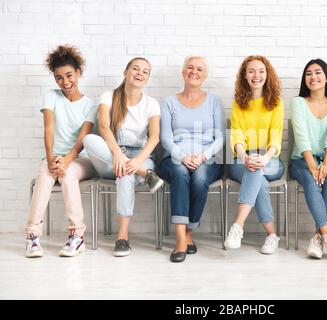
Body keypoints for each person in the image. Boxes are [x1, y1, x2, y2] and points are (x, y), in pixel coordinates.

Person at [83, 57, 163, 257]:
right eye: (136, 68)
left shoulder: (151, 104)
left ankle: (122, 238)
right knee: (90, 140)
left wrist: (135, 162)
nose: (140, 73)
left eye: (145, 71)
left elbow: (154, 138)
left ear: (147, 78)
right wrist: (117, 153)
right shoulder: (109, 96)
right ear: (125, 72)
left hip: (140, 156)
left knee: (125, 173)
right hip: (110, 155)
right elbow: (102, 127)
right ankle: (146, 174)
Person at [25, 45, 97, 258]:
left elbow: (81, 142)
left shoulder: (90, 105)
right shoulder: (51, 96)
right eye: (59, 78)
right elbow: (48, 128)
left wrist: (66, 160)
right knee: (45, 175)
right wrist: (50, 159)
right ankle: (32, 237)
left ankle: (77, 236)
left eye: (69, 75)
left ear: (78, 73)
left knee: (67, 174)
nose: (65, 82)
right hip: (53, 158)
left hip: (81, 160)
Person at [159, 56, 225, 263]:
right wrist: (182, 156)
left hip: (208, 158)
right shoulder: (169, 102)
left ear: (204, 76)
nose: (194, 72)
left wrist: (203, 156)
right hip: (174, 158)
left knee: (199, 178)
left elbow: (221, 136)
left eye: (199, 69)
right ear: (183, 72)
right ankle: (180, 239)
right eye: (190, 67)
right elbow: (166, 137)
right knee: (179, 172)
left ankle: (189, 231)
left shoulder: (214, 101)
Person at [289, 59, 327, 263]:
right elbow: (301, 136)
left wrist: (326, 163)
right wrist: (313, 166)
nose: (313, 77)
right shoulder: (298, 102)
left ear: (326, 77)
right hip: (301, 160)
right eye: (308, 73)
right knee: (310, 178)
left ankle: (318, 237)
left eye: (317, 72)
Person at [223, 55, 284, 255]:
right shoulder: (238, 104)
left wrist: (265, 158)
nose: (256, 75)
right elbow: (236, 135)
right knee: (257, 176)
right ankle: (272, 236)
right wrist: (245, 157)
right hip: (242, 158)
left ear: (267, 75)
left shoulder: (276, 103)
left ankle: (237, 226)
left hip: (271, 158)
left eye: (260, 71)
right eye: (251, 71)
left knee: (257, 170)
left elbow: (276, 136)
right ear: (245, 75)